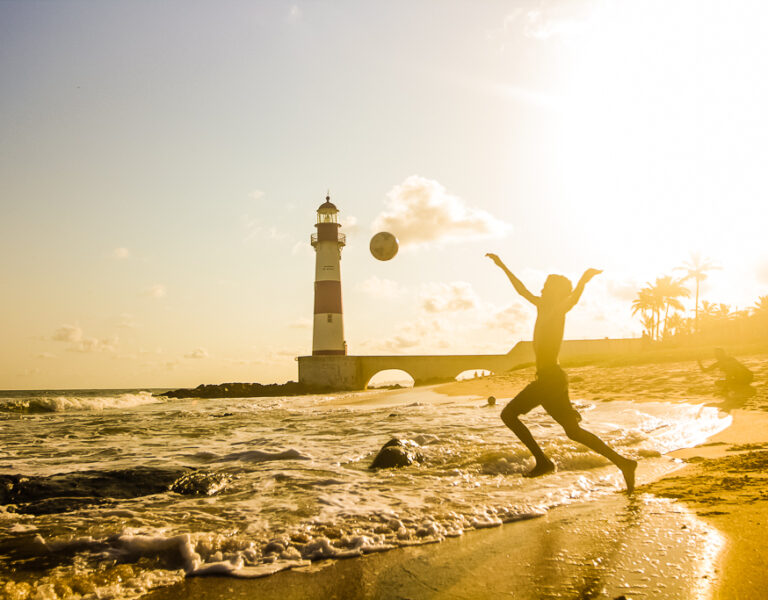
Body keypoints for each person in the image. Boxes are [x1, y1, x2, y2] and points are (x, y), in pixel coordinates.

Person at [486, 253, 637, 493]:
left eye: (546, 286)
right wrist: (502, 265)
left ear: (555, 292)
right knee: (573, 432)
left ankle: (543, 462)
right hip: (553, 378)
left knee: (508, 415)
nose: (541, 289)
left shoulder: (558, 309)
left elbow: (572, 299)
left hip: (550, 379)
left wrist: (583, 281)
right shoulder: (541, 306)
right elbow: (521, 289)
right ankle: (624, 463)